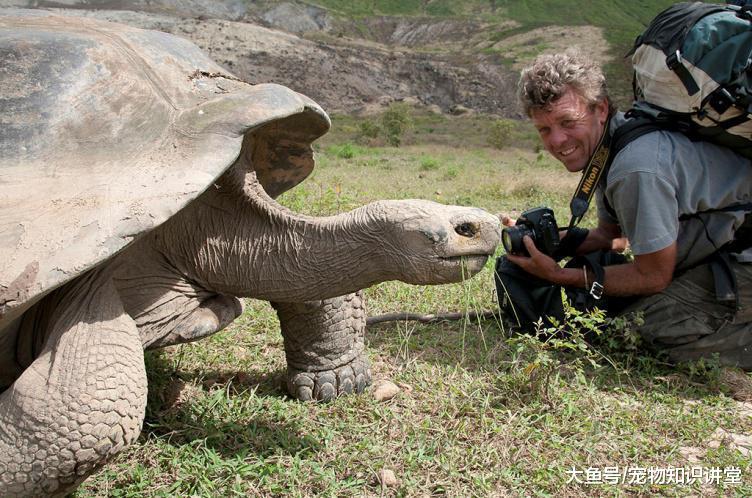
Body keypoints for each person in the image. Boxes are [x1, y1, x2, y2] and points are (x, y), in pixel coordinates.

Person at [505, 50, 752, 372]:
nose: (557, 141)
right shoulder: (615, 144)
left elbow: (652, 276)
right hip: (720, 253)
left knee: (633, 337)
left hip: (741, 258)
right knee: (613, 312)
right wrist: (545, 241)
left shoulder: (634, 169)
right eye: (544, 129)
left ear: (601, 109)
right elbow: (613, 237)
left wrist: (558, 275)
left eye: (568, 122)